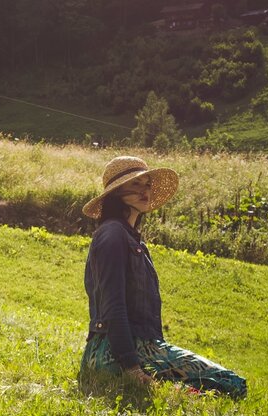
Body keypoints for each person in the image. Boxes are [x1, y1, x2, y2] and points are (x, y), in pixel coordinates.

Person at [78, 155, 247, 398]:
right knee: (231, 384)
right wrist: (133, 368)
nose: (144, 191)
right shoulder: (113, 234)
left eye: (147, 184)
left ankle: (178, 392)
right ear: (116, 193)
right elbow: (113, 305)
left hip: (136, 349)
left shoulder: (130, 237)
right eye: (135, 184)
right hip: (111, 354)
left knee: (217, 386)